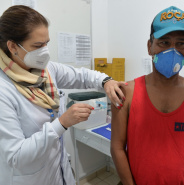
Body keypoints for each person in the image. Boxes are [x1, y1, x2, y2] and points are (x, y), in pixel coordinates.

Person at [0, 5, 126, 185]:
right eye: (37, 45)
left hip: (57, 170)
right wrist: (61, 123)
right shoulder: (4, 89)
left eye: (46, 43)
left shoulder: (45, 70)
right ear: (13, 46)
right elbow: (16, 157)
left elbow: (82, 75)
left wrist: (107, 81)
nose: (44, 51)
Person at [111, 6, 184, 185]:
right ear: (150, 46)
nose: (172, 51)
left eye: (180, 43)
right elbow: (117, 147)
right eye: (164, 42)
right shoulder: (127, 92)